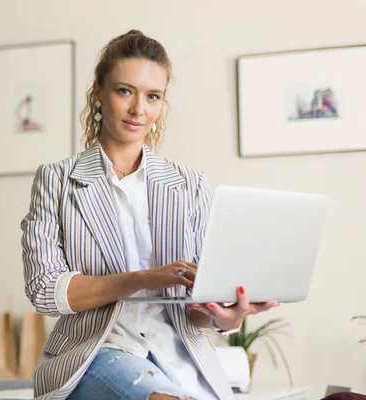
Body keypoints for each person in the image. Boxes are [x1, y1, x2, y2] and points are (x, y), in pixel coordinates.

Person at [21, 30, 279, 400]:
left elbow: (195, 311)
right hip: (97, 352)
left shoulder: (189, 184)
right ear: (98, 90)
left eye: (152, 96)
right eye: (125, 91)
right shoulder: (57, 180)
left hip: (180, 353)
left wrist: (227, 316)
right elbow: (45, 290)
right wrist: (146, 277)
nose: (139, 109)